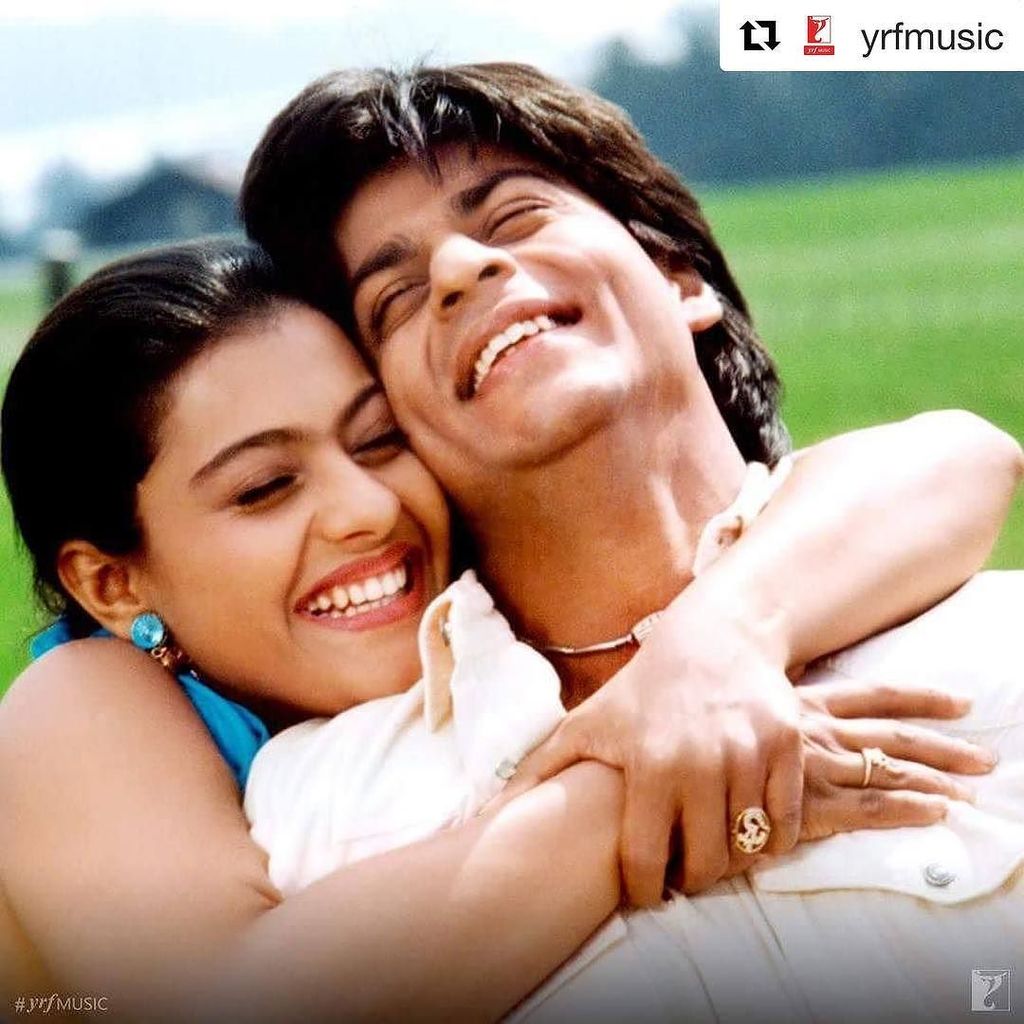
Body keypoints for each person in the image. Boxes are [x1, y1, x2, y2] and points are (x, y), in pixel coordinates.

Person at [0, 238, 1017, 1021]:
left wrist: (711, 647)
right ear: (110, 581)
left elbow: (955, 458)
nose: (364, 507)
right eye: (265, 487)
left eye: (379, 439)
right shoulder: (83, 702)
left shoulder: (464, 603)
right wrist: (654, 765)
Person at [240, 61, 1024, 899]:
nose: (461, 268)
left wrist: (712, 643)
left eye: (515, 217)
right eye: (394, 297)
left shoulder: (994, 649)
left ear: (679, 276)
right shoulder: (324, 805)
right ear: (388, 416)